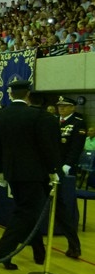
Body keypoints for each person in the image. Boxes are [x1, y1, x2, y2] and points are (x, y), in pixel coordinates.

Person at [0, 81, 60, 270]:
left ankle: (39, 251)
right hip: (32, 173)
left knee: (27, 211)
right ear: (28, 95)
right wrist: (53, 170)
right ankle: (3, 251)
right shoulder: (37, 115)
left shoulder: (0, 115)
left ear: (11, 94)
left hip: (11, 172)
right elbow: (45, 146)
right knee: (26, 212)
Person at [55, 95, 85, 258]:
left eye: (65, 106)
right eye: (60, 106)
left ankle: (74, 244)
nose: (61, 108)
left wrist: (68, 165)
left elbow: (76, 147)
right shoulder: (55, 121)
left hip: (66, 169)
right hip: (53, 167)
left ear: (73, 107)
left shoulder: (77, 123)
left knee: (65, 204)